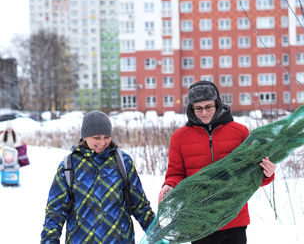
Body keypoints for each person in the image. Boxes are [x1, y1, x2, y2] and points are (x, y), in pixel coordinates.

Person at [158, 80, 277, 244]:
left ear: (218, 104)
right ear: (191, 108)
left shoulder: (240, 132)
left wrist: (267, 174)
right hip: (199, 221)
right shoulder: (180, 137)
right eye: (198, 108)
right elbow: (176, 173)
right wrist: (170, 185)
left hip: (234, 219)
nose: (204, 112)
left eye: (209, 106)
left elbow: (252, 173)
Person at [41, 110, 155, 243]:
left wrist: (159, 234)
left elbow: (140, 206)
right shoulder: (69, 166)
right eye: (96, 138)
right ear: (85, 137)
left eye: (106, 137)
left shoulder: (123, 162)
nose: (102, 143)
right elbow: (55, 213)